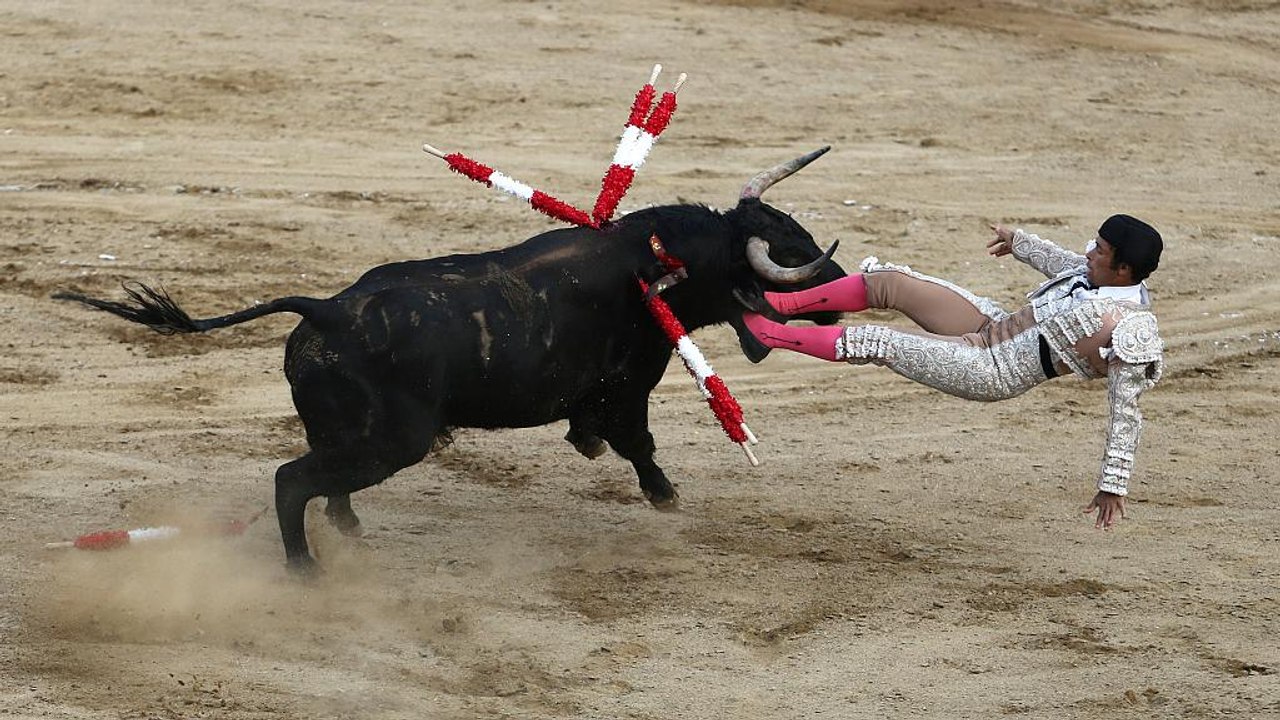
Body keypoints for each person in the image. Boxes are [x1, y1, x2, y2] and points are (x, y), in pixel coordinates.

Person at [736, 214, 1164, 530]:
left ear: (1123, 269)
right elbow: (1061, 261)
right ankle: (778, 305)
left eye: (1100, 250)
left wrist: (1114, 484)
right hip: (990, 326)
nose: (1089, 252)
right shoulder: (1098, 272)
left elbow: (1125, 412)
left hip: (991, 368)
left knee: (878, 341)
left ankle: (765, 333)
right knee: (891, 280)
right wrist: (1019, 242)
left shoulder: (1132, 328)